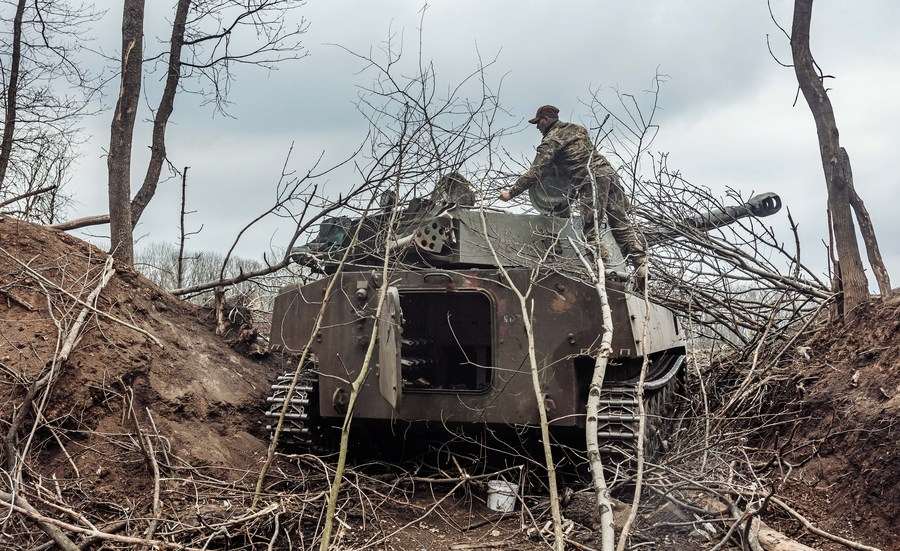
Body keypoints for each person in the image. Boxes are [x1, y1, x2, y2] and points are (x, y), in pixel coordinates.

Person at [499, 105, 647, 286]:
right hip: (609, 174)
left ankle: (603, 270)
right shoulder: (577, 129)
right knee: (621, 224)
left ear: (545, 120)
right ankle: (641, 265)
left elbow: (536, 172)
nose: (537, 128)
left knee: (590, 229)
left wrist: (510, 193)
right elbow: (578, 155)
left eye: (538, 123)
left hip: (591, 180)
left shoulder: (551, 140)